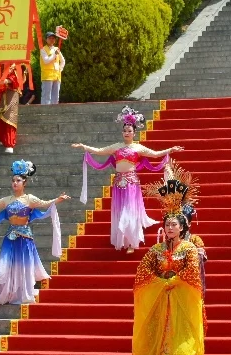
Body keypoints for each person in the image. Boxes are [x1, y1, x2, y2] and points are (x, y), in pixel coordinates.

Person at [72, 105, 185, 249]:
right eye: (124, 130)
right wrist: (84, 147)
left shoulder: (138, 148)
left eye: (129, 131)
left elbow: (156, 154)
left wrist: (170, 149)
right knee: (120, 211)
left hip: (131, 182)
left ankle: (133, 242)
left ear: (134, 133)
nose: (126, 133)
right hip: (119, 182)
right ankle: (124, 241)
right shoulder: (117, 147)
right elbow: (100, 151)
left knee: (129, 211)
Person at [131, 181, 206, 355]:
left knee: (179, 338)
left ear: (182, 227)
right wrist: (159, 282)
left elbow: (192, 271)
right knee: (161, 337)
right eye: (167, 224)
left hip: (181, 299)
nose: (170, 228)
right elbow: (143, 271)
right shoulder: (156, 249)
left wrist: (172, 282)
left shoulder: (190, 248)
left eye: (174, 224)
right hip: (161, 298)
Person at [0, 162, 67, 304]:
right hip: (10, 237)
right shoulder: (6, 200)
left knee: (24, 265)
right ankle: (9, 292)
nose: (15, 183)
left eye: (18, 181)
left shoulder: (30, 199)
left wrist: (58, 200)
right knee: (7, 265)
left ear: (24, 183)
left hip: (25, 237)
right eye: (13, 180)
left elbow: (45, 203)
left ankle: (24, 292)